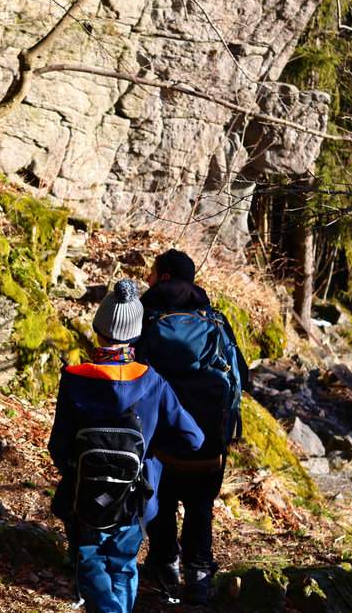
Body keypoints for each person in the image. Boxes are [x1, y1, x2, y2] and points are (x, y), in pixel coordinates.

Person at [49, 279, 205, 613]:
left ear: (97, 328)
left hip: (84, 497)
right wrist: (153, 453)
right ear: (135, 334)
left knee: (90, 562)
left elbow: (58, 446)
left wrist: (82, 471)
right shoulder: (153, 381)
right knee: (123, 564)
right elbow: (194, 439)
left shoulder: (75, 378)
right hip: (136, 497)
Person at [136, 249, 251, 604]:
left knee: (161, 499)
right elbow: (242, 377)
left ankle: (165, 565)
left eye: (153, 273)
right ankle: (199, 577)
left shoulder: (143, 316)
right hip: (208, 442)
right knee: (200, 506)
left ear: (166, 276)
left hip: (158, 439)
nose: (149, 278)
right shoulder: (214, 320)